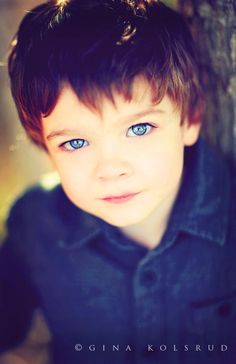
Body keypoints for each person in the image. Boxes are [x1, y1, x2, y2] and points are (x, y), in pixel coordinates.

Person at [0, 0, 235, 363]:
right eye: (75, 142)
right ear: (43, 144)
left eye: (139, 128)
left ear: (189, 117)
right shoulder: (35, 225)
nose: (110, 168)